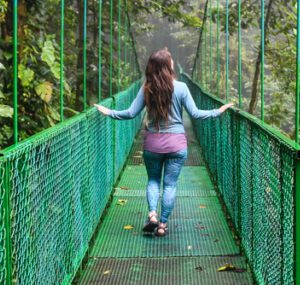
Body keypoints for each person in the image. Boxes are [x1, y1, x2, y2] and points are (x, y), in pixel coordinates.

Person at [96, 48, 232, 237]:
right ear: (168, 66)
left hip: (153, 144)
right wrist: (218, 111)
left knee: (153, 181)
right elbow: (196, 114)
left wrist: (109, 112)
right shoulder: (182, 88)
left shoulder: (146, 89)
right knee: (170, 186)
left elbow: (130, 113)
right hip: (177, 145)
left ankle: (152, 215)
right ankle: (162, 225)